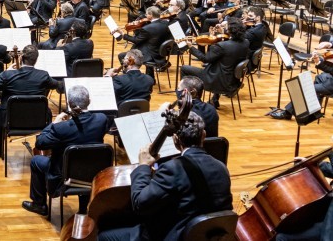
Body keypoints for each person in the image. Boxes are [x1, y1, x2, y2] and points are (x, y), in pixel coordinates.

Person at [98, 112, 232, 241]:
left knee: (104, 235)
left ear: (175, 139)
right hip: (204, 236)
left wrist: (143, 166)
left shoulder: (173, 169)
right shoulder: (221, 168)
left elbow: (139, 203)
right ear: (203, 135)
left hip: (172, 236)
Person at [22, 85, 108, 216]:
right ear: (89, 101)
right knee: (85, 161)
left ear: (69, 104)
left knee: (36, 161)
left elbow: (40, 143)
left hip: (64, 174)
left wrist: (54, 123)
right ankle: (84, 209)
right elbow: (86, 130)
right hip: (92, 173)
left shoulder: (61, 128)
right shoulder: (101, 120)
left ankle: (39, 204)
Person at [0, 45, 61, 159]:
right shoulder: (43, 75)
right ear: (36, 60)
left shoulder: (8, 75)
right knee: (47, 111)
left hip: (11, 119)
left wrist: (7, 70)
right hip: (37, 119)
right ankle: (44, 146)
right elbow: (56, 85)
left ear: (21, 57)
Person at [180, 17, 249, 108]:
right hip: (232, 80)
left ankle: (189, 99)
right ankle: (215, 99)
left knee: (184, 68)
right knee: (220, 67)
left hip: (216, 80)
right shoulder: (246, 42)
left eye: (226, 27)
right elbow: (228, 51)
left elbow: (205, 59)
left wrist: (191, 47)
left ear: (230, 30)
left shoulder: (222, 46)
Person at [114, 6, 171, 77]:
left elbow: (136, 40)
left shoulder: (147, 28)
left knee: (122, 55)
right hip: (160, 54)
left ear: (151, 15)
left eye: (146, 14)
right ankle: (151, 77)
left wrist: (123, 34)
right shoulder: (166, 23)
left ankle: (130, 77)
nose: (145, 16)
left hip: (150, 55)